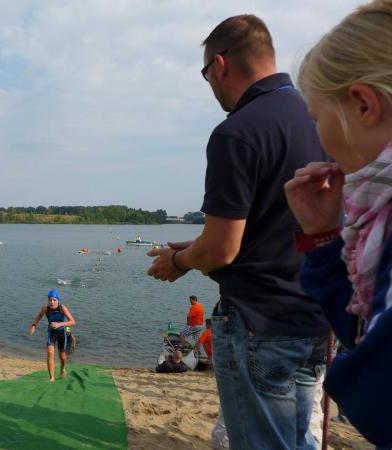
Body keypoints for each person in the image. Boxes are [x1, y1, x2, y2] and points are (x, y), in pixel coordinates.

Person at [146, 15, 329, 450]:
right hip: (317, 318)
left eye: (205, 73)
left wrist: (180, 261)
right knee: (301, 440)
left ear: (220, 65)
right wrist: (201, 244)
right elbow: (273, 228)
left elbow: (222, 250)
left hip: (259, 323)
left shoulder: (237, 132)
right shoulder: (318, 118)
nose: (209, 85)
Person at [284, 1, 392, 445]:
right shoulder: (379, 220)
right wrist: (324, 240)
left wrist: (343, 376)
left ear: (363, 105)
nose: (319, 138)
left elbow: (377, 397)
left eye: (316, 118)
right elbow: (365, 333)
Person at [28, 289, 76, 382]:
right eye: (50, 300)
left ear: (58, 300)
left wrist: (59, 324)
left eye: (54, 300)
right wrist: (33, 326)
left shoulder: (62, 308)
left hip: (62, 333)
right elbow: (38, 317)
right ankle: (52, 377)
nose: (52, 302)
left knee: (62, 357)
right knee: (50, 353)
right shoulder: (45, 309)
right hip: (51, 332)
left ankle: (62, 368)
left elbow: (72, 322)